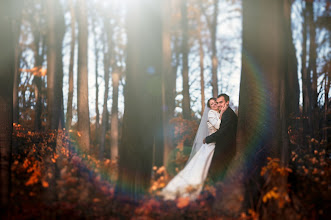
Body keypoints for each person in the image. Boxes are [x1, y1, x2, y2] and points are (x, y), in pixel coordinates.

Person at [161, 97, 227, 200]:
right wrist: (222, 113)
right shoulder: (211, 114)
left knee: (201, 167)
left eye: (215, 103)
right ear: (210, 107)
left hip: (215, 142)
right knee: (200, 168)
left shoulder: (216, 114)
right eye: (212, 104)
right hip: (212, 144)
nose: (215, 105)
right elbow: (218, 126)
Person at [203, 94, 238, 183]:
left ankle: (218, 190)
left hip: (225, 147)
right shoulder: (222, 113)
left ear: (227, 102)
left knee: (217, 171)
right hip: (221, 145)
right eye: (216, 103)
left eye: (220, 102)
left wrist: (207, 139)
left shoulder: (228, 114)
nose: (218, 105)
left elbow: (222, 132)